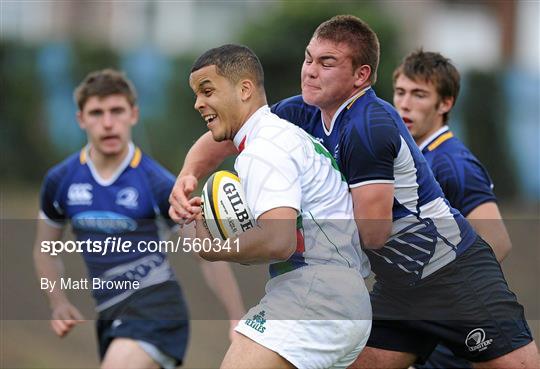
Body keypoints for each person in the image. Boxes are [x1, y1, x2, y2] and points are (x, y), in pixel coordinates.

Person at [169, 15, 539, 369]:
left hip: (452, 275)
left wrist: (282, 214)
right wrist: (187, 176)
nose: (310, 70)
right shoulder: (304, 111)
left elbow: (373, 234)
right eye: (308, 58)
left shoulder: (368, 125)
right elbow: (236, 131)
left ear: (361, 75)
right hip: (397, 287)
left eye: (326, 62)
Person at [33, 69, 245, 369]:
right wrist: (57, 302)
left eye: (117, 111)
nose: (108, 123)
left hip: (156, 310)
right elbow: (45, 247)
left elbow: (203, 254)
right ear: (81, 119)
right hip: (109, 314)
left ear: (133, 114)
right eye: (96, 113)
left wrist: (235, 316)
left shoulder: (156, 182)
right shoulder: (61, 180)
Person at [186, 44, 372, 369]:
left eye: (207, 90)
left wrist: (214, 249)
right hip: (337, 297)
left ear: (244, 89)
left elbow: (277, 241)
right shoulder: (284, 136)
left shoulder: (264, 150)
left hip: (315, 296)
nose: (198, 103)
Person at [393, 50, 514, 369]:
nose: (405, 104)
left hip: (447, 335)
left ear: (445, 104)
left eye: (419, 94)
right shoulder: (417, 158)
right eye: (401, 92)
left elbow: (497, 242)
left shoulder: (452, 162)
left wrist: (436, 306)